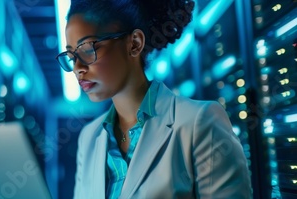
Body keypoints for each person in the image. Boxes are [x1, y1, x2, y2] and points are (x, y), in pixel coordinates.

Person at [55, 0, 252, 198]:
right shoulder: (89, 137)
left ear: (134, 44)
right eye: (72, 56)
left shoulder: (200, 122)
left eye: (88, 49)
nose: (77, 67)